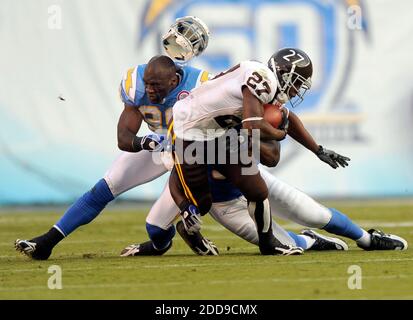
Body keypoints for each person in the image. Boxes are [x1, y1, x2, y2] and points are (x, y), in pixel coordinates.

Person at [14, 16, 212, 260]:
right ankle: (47, 242)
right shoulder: (137, 83)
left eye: (156, 86)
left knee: (156, 228)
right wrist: (144, 142)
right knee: (104, 187)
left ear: (174, 82)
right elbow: (123, 138)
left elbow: (211, 132)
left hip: (188, 151)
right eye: (148, 85)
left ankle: (169, 239)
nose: (150, 90)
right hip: (157, 144)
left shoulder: (201, 85)